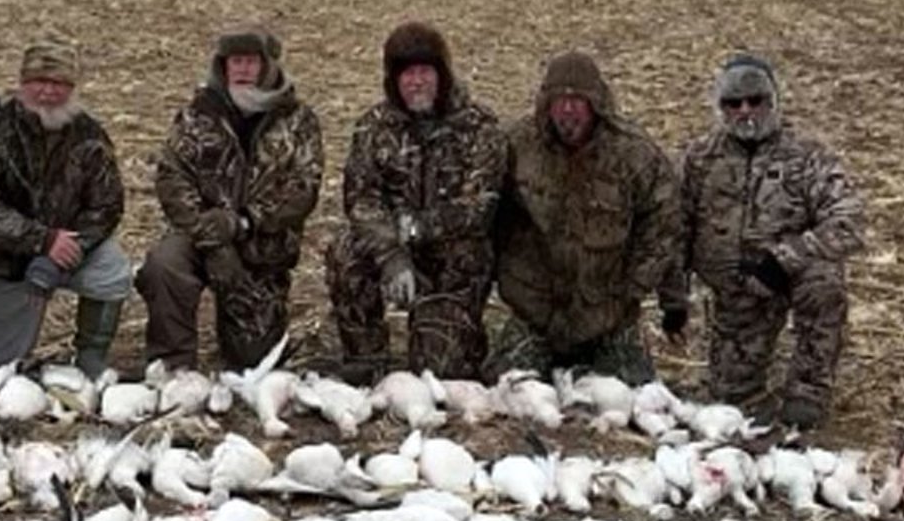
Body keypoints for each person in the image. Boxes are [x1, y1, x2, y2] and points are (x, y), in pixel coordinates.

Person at [669, 53, 864, 431]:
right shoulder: (699, 159)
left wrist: (783, 261)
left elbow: (848, 222)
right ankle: (745, 373)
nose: (745, 111)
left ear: (774, 101)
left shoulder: (807, 154)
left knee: (824, 284)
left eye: (756, 100)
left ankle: (808, 389)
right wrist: (674, 299)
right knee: (729, 395)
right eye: (733, 103)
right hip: (737, 292)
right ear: (720, 107)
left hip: (788, 277)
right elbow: (676, 228)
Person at [326, 22, 508, 382]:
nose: (417, 81)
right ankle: (366, 360)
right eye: (407, 73)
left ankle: (457, 337)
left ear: (442, 74)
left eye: (425, 71)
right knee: (345, 251)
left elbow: (478, 208)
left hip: (453, 260)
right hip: (391, 248)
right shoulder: (374, 127)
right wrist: (391, 254)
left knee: (441, 375)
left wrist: (411, 229)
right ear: (393, 80)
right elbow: (361, 200)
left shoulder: (478, 127)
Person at [137, 26, 323, 371]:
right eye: (234, 61)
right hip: (200, 237)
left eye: (251, 62)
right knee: (164, 266)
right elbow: (172, 178)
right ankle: (173, 366)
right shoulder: (198, 114)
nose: (241, 70)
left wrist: (243, 222)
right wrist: (214, 243)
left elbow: (304, 189)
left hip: (263, 247)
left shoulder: (297, 120)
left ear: (268, 67)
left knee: (253, 362)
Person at [489, 51, 680, 384]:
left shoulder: (633, 154)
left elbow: (665, 226)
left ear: (597, 103)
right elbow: (487, 215)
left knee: (635, 398)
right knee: (506, 392)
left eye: (578, 100)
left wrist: (647, 293)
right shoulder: (517, 147)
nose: (567, 109)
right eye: (559, 99)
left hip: (606, 319)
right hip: (536, 317)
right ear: (545, 102)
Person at [0, 40, 131, 377]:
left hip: (64, 252)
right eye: (39, 82)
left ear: (72, 88)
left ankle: (91, 355)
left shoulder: (89, 135)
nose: (48, 92)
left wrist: (68, 250)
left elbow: (107, 206)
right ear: (22, 85)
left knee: (113, 269)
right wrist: (42, 240)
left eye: (59, 84)